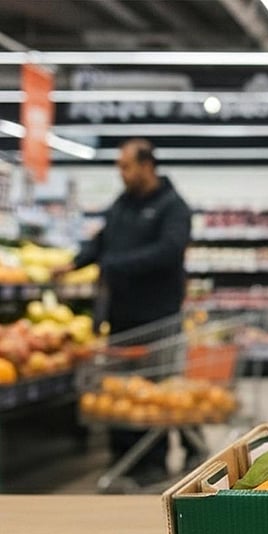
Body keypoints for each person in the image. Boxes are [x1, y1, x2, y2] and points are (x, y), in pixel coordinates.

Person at [55, 138, 199, 486]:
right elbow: (101, 241)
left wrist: (116, 265)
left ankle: (152, 463)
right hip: (120, 317)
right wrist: (74, 263)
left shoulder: (172, 207)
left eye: (126, 166)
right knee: (120, 392)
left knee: (152, 393)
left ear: (147, 166)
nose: (121, 173)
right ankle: (123, 459)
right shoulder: (122, 204)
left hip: (157, 317)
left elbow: (169, 250)